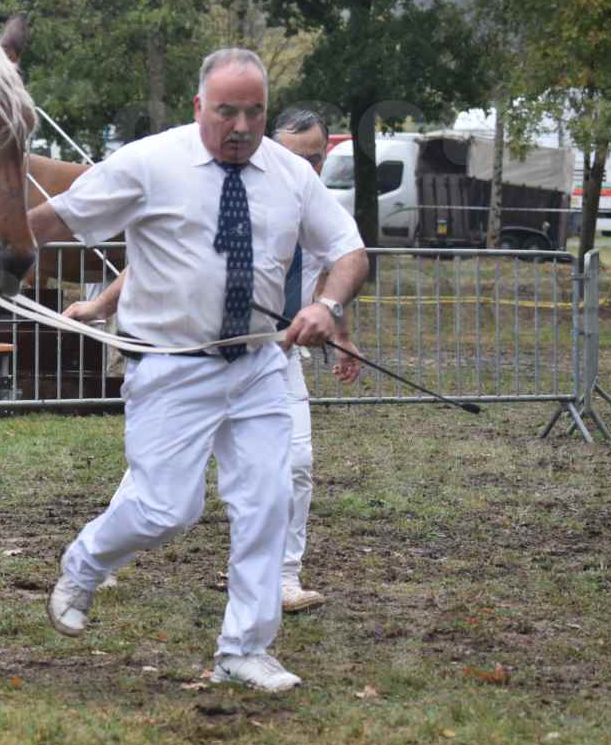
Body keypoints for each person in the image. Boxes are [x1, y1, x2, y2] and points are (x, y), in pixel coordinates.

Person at [28, 49, 367, 693]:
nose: (241, 126)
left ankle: (243, 648)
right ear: (198, 107)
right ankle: (85, 563)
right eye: (226, 112)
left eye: (254, 112)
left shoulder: (292, 174)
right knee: (165, 510)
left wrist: (327, 305)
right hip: (172, 368)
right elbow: (61, 215)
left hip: (261, 364)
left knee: (269, 500)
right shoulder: (150, 163)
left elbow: (347, 250)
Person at [63, 107, 363, 615]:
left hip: (273, 357)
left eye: (317, 158)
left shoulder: (315, 204)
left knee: (296, 465)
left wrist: (340, 332)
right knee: (159, 476)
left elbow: (333, 273)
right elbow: (151, 266)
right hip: (196, 356)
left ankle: (283, 579)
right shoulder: (223, 196)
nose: (308, 168)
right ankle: (103, 557)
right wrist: (99, 306)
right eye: (297, 157)